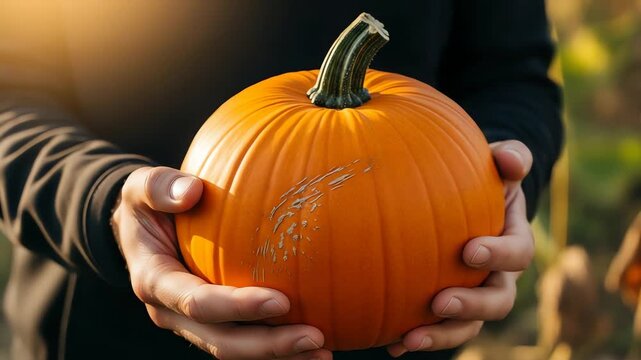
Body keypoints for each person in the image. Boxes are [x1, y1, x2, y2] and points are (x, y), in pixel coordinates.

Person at [0, 1, 562, 359]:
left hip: (403, 331)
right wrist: (102, 202)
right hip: (106, 327)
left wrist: (496, 181)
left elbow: (510, 74)